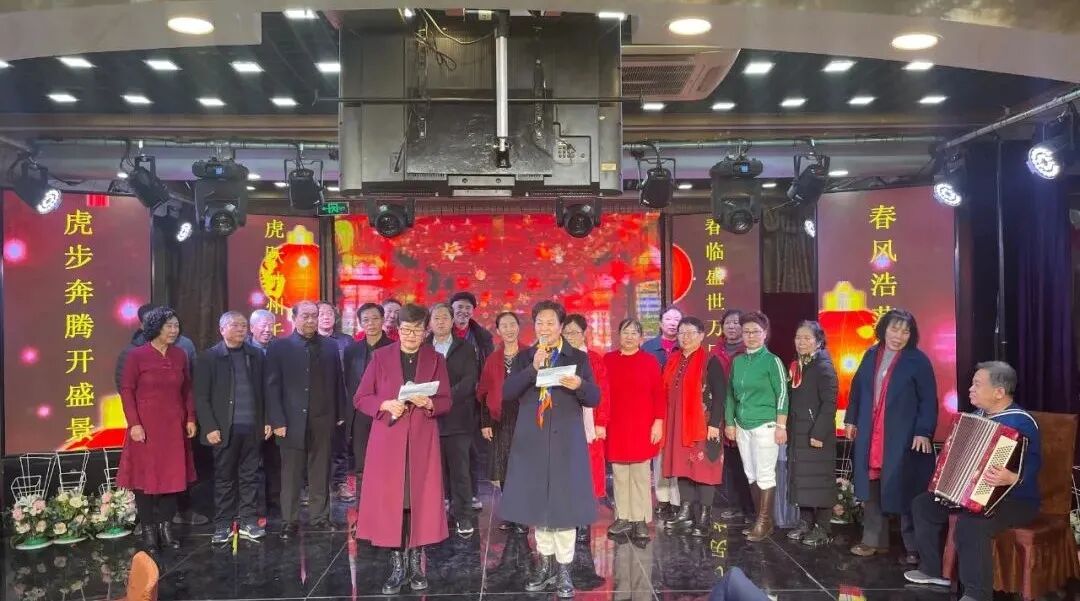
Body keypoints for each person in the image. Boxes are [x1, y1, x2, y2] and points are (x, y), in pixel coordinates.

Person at [904, 361, 1041, 601]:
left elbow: (1034, 462)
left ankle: (978, 594)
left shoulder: (1021, 422)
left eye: (977, 384)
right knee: (923, 504)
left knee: (971, 524)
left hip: (1014, 500)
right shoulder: (975, 417)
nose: (970, 389)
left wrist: (1013, 477)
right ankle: (933, 571)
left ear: (999, 392)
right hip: (971, 495)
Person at [500, 300, 601, 599]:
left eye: (550, 323)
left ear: (560, 326)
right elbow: (508, 392)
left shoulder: (578, 357)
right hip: (532, 441)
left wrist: (579, 384)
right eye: (539, 323)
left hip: (566, 442)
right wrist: (532, 369)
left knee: (564, 508)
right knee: (539, 506)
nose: (544, 328)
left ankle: (564, 570)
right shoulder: (525, 357)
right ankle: (544, 566)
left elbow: (594, 397)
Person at [354, 304, 452, 595]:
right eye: (406, 330)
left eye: (417, 330)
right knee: (392, 502)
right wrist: (384, 404)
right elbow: (361, 397)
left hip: (422, 441)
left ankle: (416, 564)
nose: (411, 335)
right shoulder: (381, 357)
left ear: (425, 331)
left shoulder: (435, 358)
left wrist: (430, 403)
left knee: (418, 500)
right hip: (388, 440)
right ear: (397, 330)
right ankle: (397, 566)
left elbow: (446, 400)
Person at [844, 309, 937, 564]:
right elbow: (857, 389)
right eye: (894, 329)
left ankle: (913, 548)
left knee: (907, 488)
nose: (899, 336)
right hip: (871, 431)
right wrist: (851, 419)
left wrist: (923, 431)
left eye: (905, 331)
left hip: (902, 435)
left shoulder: (918, 360)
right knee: (872, 484)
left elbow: (928, 400)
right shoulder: (871, 354)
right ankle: (873, 541)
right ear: (884, 329)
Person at [116, 307, 197, 550]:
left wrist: (190, 418)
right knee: (145, 479)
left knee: (173, 476)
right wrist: (134, 424)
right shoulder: (136, 356)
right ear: (155, 328)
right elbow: (127, 391)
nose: (174, 330)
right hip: (146, 427)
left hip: (174, 426)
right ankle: (149, 530)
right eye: (169, 326)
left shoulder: (180, 355)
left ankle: (166, 528)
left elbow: (187, 390)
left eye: (176, 326)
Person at [266, 300, 348, 538]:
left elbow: (338, 381)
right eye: (305, 316)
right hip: (290, 421)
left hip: (323, 418)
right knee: (291, 474)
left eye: (314, 315)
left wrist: (340, 413)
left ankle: (320, 517)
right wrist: (277, 420)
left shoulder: (330, 346)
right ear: (294, 318)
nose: (311, 320)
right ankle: (289, 521)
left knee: (320, 471)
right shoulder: (279, 347)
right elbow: (271, 387)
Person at [195, 311, 270, 544]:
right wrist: (209, 426)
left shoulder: (256, 355)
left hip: (252, 427)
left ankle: (248, 521)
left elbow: (265, 391)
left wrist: (267, 421)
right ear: (222, 329)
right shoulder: (209, 357)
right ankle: (223, 524)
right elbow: (201, 397)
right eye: (235, 325)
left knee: (250, 477)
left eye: (243, 325)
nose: (241, 329)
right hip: (223, 429)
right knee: (224, 478)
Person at [724, 311, 788, 542]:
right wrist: (730, 422)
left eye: (755, 332)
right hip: (742, 426)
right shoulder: (738, 361)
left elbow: (782, 394)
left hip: (766, 425)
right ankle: (762, 520)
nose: (750, 336)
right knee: (750, 473)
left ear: (765, 333)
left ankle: (763, 521)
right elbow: (730, 395)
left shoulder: (772, 361)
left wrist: (781, 426)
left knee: (765, 474)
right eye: (747, 332)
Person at [661, 317, 726, 538]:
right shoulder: (673, 360)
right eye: (682, 333)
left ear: (701, 335)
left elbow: (720, 396)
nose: (686, 337)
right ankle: (686, 512)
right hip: (678, 423)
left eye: (691, 333)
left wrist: (715, 424)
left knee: (705, 470)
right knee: (682, 467)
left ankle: (705, 517)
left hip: (704, 425)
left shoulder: (710, 361)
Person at [603, 318, 665, 541]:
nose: (629, 337)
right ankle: (623, 517)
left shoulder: (649, 361)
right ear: (619, 335)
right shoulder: (608, 360)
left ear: (641, 338)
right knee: (620, 475)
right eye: (625, 332)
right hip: (616, 425)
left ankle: (640, 520)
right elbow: (603, 394)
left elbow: (659, 394)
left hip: (642, 425)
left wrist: (658, 422)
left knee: (640, 475)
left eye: (634, 333)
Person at [428, 303, 480, 537]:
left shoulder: (466, 348)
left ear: (452, 321)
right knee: (433, 471)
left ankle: (463, 516)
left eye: (444, 318)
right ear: (429, 323)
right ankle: (434, 515)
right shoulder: (422, 348)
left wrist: (443, 399)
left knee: (460, 471)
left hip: (458, 419)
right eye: (436, 318)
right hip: (428, 418)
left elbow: (469, 381)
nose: (440, 322)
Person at [785, 321, 838, 548]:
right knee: (802, 479)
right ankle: (806, 522)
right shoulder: (798, 366)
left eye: (807, 338)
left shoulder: (823, 366)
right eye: (798, 337)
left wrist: (819, 432)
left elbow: (830, 403)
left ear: (818, 341)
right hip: (799, 432)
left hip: (817, 434)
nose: (801, 342)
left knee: (821, 481)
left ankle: (823, 528)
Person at [563, 314, 612, 540]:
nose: (571, 336)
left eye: (575, 332)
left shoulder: (594, 359)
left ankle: (584, 522)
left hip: (588, 423)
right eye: (567, 332)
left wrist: (601, 422)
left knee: (588, 472)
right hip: (564, 424)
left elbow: (603, 392)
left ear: (584, 334)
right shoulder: (557, 357)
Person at [477, 311, 523, 530]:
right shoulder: (493, 359)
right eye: (504, 326)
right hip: (500, 419)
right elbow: (484, 392)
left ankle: (524, 514)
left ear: (518, 327)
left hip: (526, 418)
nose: (509, 329)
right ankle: (511, 513)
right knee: (504, 467)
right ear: (498, 330)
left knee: (523, 466)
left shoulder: (530, 355)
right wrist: (485, 422)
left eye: (512, 324)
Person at [450, 290, 495, 510]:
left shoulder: (482, 337)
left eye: (468, 307)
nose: (463, 311)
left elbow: (489, 368)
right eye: (459, 307)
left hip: (474, 402)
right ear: (451, 309)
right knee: (448, 451)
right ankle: (448, 495)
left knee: (473, 450)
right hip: (447, 400)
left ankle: (473, 493)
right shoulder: (439, 333)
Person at [343, 303, 394, 496]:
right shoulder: (352, 350)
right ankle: (364, 504)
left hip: (387, 411)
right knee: (362, 462)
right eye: (365, 320)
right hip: (360, 414)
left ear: (382, 320)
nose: (371, 323)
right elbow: (348, 383)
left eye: (375, 319)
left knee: (387, 460)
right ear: (360, 323)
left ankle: (388, 501)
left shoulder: (394, 348)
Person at [713, 309, 755, 525]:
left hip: (745, 414)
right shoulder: (715, 351)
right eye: (727, 323)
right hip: (722, 414)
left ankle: (752, 510)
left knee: (748, 463)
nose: (731, 326)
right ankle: (737, 506)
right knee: (731, 465)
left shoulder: (749, 351)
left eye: (736, 323)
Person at [643, 305, 683, 521]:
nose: (673, 323)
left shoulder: (685, 347)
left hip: (679, 408)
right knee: (658, 455)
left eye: (677, 319)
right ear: (660, 323)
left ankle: (678, 501)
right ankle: (663, 499)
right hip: (655, 408)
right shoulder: (649, 348)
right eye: (668, 319)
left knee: (677, 453)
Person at [248, 308, 278, 522]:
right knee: (253, 465)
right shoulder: (244, 351)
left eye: (271, 326)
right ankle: (256, 508)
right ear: (252, 328)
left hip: (277, 417)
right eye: (263, 326)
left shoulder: (280, 349)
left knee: (275, 463)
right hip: (252, 417)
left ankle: (275, 504)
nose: (267, 330)